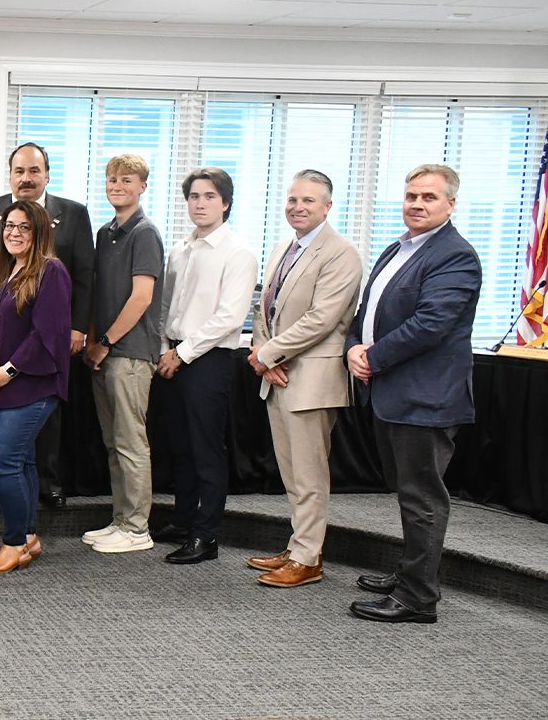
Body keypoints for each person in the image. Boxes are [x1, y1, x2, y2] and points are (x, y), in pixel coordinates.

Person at [346, 165, 481, 624]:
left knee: (423, 498)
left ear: (450, 205)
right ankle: (410, 574)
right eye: (411, 196)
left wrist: (373, 357)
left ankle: (418, 598)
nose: (417, 204)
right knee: (408, 492)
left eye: (428, 197)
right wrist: (353, 350)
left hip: (426, 397)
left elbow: (432, 324)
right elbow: (367, 312)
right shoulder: (397, 248)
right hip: (391, 391)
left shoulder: (455, 255)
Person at [245, 170, 363, 588]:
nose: (298, 207)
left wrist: (267, 354)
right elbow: (266, 311)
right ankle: (298, 546)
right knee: (292, 472)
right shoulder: (284, 247)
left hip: (312, 379)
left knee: (310, 476)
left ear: (328, 207)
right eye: (293, 199)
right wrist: (263, 356)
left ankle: (309, 557)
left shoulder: (341, 252)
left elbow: (322, 319)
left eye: (309, 201)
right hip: (278, 375)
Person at [0, 142, 94, 507]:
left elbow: (86, 274)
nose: (26, 178)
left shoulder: (72, 213)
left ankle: (48, 481)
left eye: (34, 171)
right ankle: (10, 489)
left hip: (51, 333)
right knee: (7, 431)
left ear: (46, 175)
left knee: (43, 408)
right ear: (10, 175)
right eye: (19, 171)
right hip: (5, 328)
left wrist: (77, 328)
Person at [152, 168, 258, 565]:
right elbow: (166, 307)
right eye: (194, 196)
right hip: (172, 356)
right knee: (179, 446)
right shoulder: (180, 249)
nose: (200, 203)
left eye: (210, 196)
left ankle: (206, 535)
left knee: (206, 450)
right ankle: (182, 521)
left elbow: (229, 318)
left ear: (226, 202)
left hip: (207, 359)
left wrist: (182, 353)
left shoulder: (238, 252)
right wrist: (166, 347)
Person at [0, 198, 72, 573]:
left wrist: (8, 372)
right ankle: (29, 537)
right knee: (24, 460)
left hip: (31, 385)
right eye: (9, 225)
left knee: (4, 463)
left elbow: (46, 333)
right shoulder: (6, 271)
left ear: (40, 231)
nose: (14, 233)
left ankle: (12, 544)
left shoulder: (51, 272)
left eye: (23, 227)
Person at [81, 154, 164, 555]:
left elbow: (142, 297)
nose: (117, 185)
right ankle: (120, 520)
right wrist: (94, 344)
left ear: (142, 187)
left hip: (130, 353)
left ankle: (137, 528)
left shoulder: (144, 233)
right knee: (114, 442)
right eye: (112, 179)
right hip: (105, 352)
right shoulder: (105, 232)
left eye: (126, 180)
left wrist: (107, 342)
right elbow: (99, 295)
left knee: (131, 442)